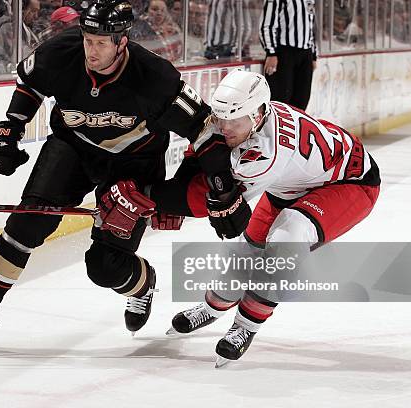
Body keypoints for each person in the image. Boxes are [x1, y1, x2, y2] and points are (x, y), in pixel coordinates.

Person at [0, 0, 235, 351]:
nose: (90, 50)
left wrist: (220, 187)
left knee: (105, 267)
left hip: (134, 163)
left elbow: (204, 131)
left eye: (100, 43)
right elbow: (30, 84)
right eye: (87, 39)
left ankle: (143, 285)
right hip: (73, 149)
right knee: (26, 223)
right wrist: (10, 128)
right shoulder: (61, 52)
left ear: (121, 42)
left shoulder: (154, 77)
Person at [158, 69, 380, 365]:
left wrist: (155, 203)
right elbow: (204, 157)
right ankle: (214, 307)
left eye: (234, 120)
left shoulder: (266, 153)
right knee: (248, 251)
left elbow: (214, 201)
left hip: (350, 183)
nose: (225, 127)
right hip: (297, 180)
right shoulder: (247, 117)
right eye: (220, 117)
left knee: (286, 240)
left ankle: (246, 326)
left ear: (258, 115)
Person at [259, 0, 318, 110]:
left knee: (302, 100)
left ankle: (296, 127)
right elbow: (267, 24)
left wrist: (314, 55)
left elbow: (311, 27)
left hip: (306, 54)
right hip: (284, 53)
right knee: (280, 101)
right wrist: (271, 52)